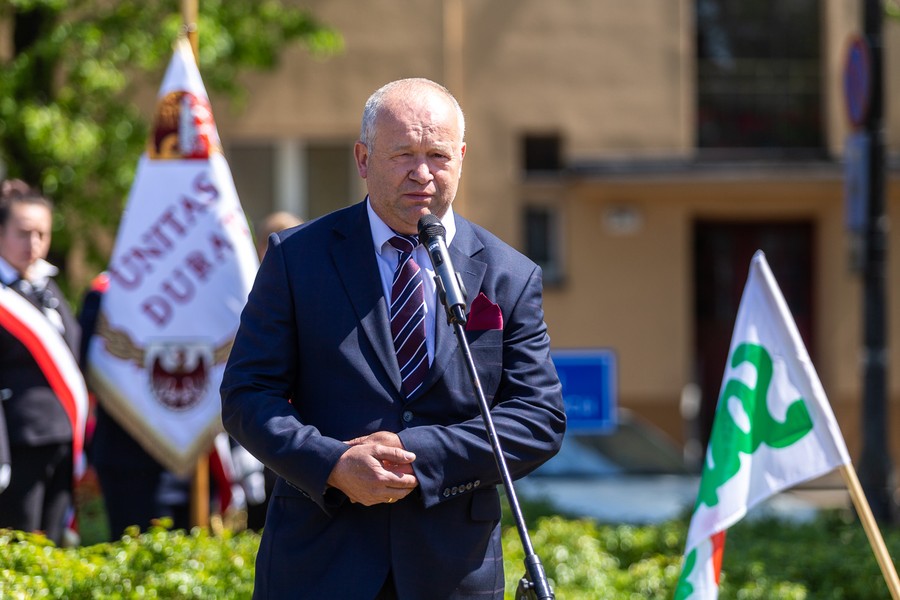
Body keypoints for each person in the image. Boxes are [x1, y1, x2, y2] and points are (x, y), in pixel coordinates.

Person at [221, 78, 566, 599]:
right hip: (320, 561)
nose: (422, 173)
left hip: (453, 570)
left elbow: (538, 420)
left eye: (438, 155)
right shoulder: (297, 259)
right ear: (363, 158)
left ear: (462, 158)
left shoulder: (509, 275)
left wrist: (417, 451)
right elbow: (247, 396)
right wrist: (332, 464)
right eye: (402, 154)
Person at [76, 272, 191, 538]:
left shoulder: (193, 295)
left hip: (182, 452)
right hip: (125, 454)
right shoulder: (104, 294)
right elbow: (86, 365)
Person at [0, 179, 81, 545]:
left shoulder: (48, 287)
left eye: (41, 234)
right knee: (18, 545)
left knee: (54, 545)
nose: (33, 244)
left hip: (62, 436)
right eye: (22, 232)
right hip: (16, 441)